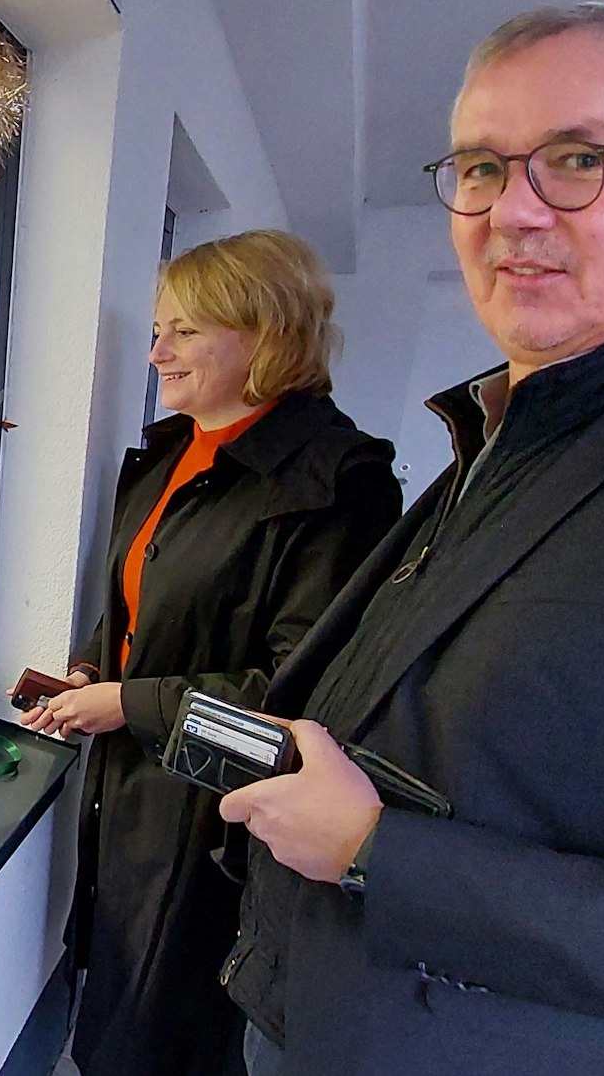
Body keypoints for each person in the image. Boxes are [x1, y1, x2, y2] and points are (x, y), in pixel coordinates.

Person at [215, 4, 604, 1076]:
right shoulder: (504, 433)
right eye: (481, 168)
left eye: (577, 159)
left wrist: (375, 854)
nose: (512, 212)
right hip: (303, 1022)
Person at [21, 230, 401, 1076]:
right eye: (159, 329)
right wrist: (92, 670)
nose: (157, 351)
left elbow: (304, 698)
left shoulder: (338, 481)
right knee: (116, 1011)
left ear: (265, 333)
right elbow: (128, 606)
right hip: (128, 797)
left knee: (179, 1039)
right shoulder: (164, 454)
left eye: (184, 330)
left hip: (228, 825)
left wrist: (127, 703)